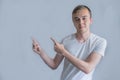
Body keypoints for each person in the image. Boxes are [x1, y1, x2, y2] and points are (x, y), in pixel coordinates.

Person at [32, 5, 107, 80]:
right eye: (77, 19)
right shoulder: (66, 41)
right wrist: (41, 52)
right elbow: (54, 64)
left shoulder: (99, 42)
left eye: (84, 18)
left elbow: (88, 68)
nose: (81, 22)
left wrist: (63, 52)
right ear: (73, 22)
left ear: (90, 20)